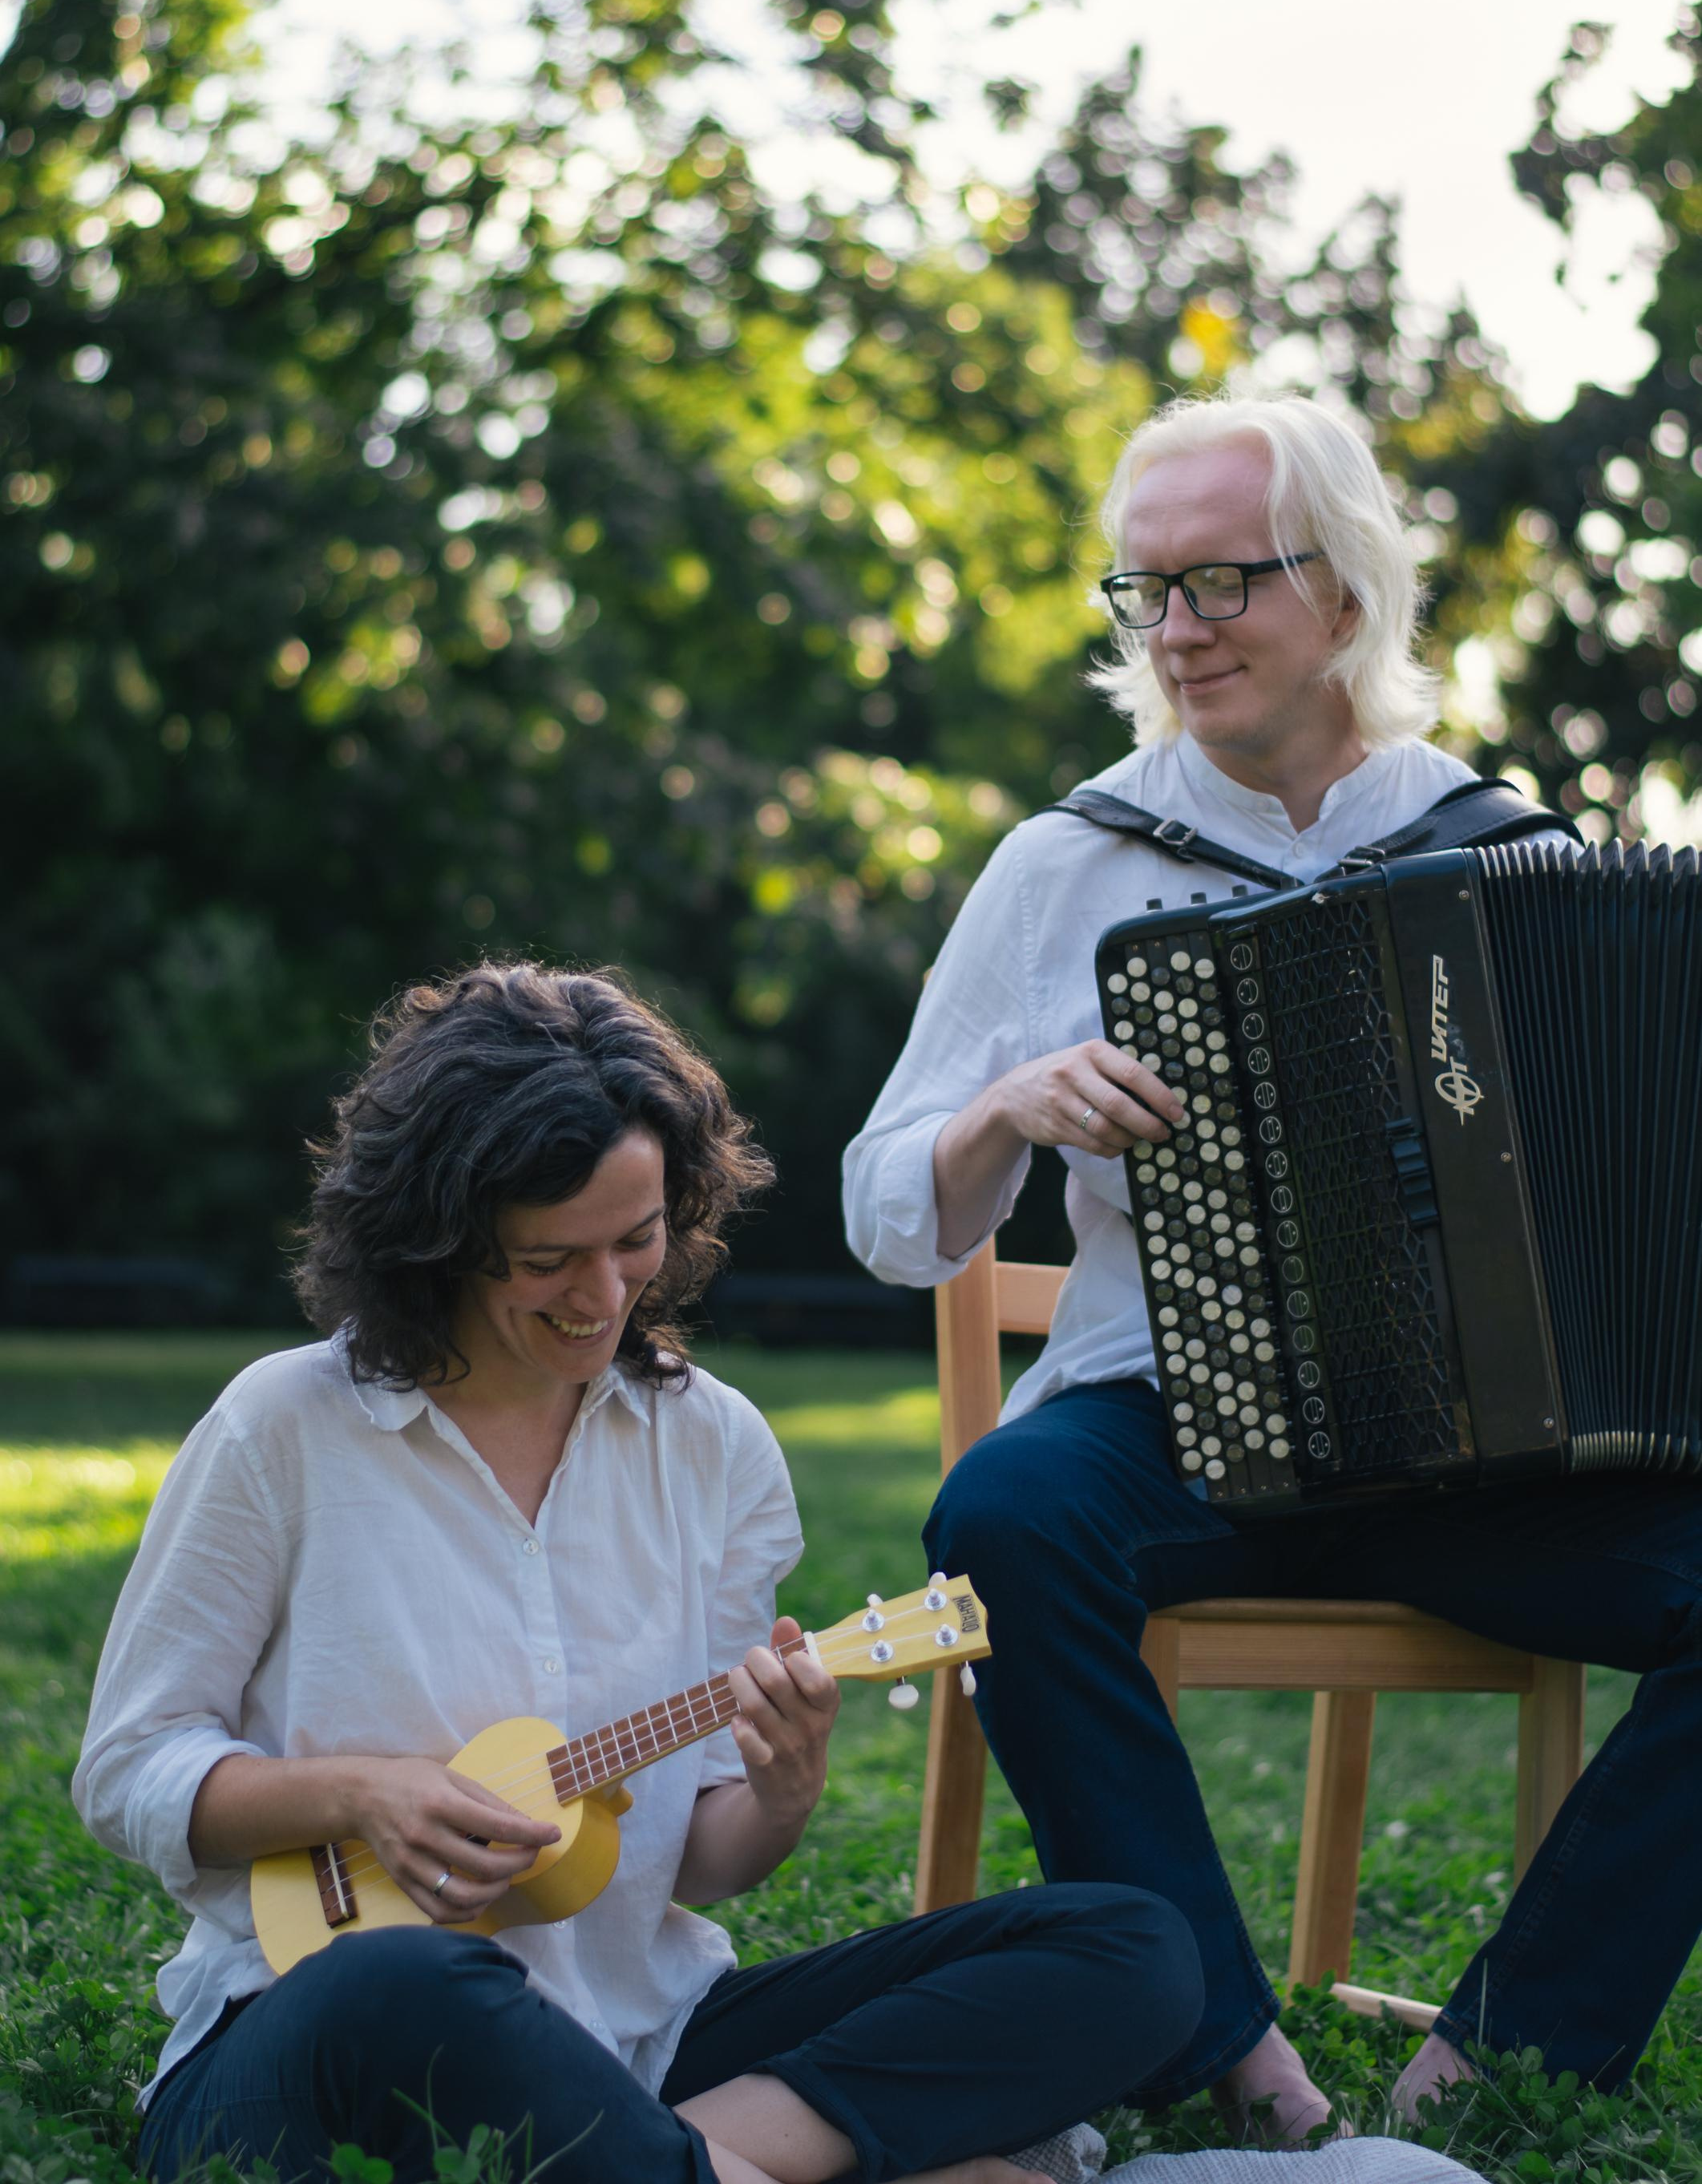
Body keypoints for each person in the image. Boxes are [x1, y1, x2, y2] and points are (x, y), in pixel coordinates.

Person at [844, 391, 1702, 2140]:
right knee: (1004, 1520)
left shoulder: (1509, 851)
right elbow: (881, 1211)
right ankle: (1231, 2063)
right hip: (1171, 1425)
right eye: (1143, 592)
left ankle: (1502, 2060)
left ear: (1347, 590)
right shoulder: (1067, 860)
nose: (1175, 632)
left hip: (1474, 1454)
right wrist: (1008, 1105)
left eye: (1221, 583)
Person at [76, 962, 1204, 2183]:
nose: (605, 1295)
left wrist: (778, 1793)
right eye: (549, 1259)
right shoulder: (284, 1428)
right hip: (326, 2035)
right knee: (403, 1982)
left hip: (648, 2045)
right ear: (439, 1236)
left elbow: (703, 1856)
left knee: (1135, 1949)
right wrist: (358, 1796)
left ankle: (676, 2164)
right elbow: (130, 1769)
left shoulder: (713, 1448)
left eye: (638, 1239)